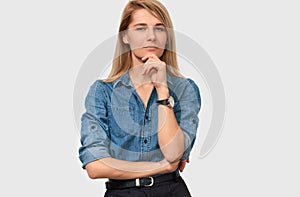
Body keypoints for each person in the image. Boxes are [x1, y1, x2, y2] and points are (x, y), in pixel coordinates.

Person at [79, 0, 201, 196]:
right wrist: (162, 166)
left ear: (167, 37)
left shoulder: (185, 89)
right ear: (125, 36)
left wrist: (162, 90)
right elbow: (95, 166)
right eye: (141, 28)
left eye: (159, 29)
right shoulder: (102, 92)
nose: (151, 36)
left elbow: (173, 153)